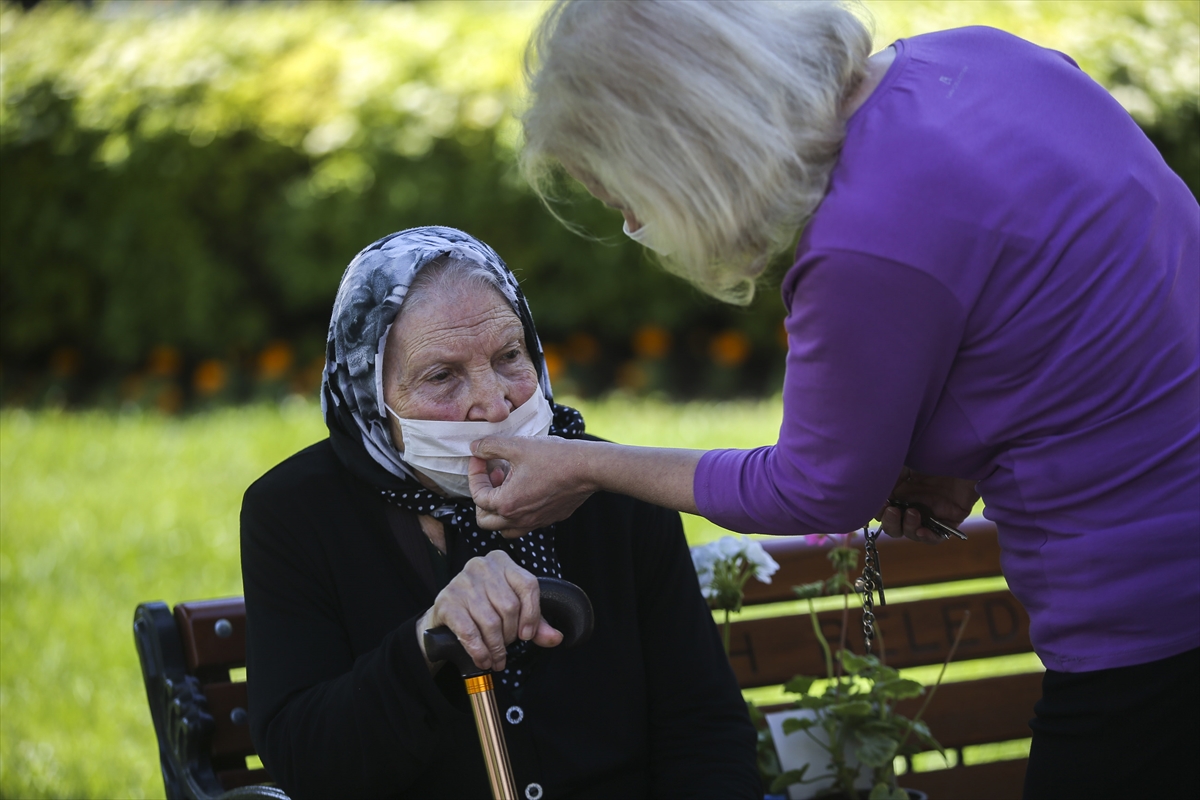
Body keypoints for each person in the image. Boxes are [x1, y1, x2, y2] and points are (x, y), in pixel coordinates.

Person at [465, 3, 1200, 798]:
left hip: (1152, 617)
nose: (638, 220)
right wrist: (954, 458)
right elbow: (1080, 317)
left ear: (684, 146)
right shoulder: (984, 61)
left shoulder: (861, 239)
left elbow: (814, 486)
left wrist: (585, 467)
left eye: (626, 193)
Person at [240, 226, 760, 800]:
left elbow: (704, 728)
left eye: (509, 356)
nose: (492, 402)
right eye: (442, 375)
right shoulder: (295, 513)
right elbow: (307, 763)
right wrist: (425, 642)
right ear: (370, 395)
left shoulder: (609, 485)